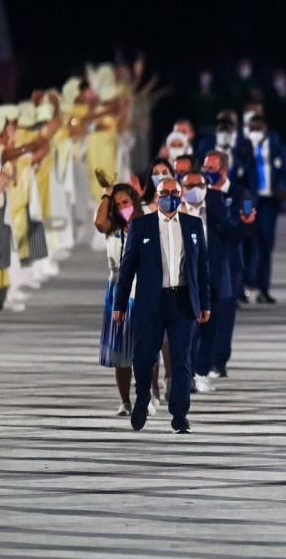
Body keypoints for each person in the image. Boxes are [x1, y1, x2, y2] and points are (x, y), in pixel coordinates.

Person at [113, 176, 211, 434]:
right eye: (165, 193)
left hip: (182, 302)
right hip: (150, 302)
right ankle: (142, 397)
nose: (170, 197)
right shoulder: (141, 226)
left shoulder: (193, 225)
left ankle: (180, 416)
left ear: (180, 195)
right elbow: (127, 268)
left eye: (175, 192)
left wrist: (205, 302)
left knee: (182, 360)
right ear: (156, 197)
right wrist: (119, 304)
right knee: (144, 357)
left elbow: (202, 267)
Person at [181, 168, 251, 393]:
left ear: (206, 188)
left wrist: (244, 223)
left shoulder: (216, 204)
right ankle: (185, 375)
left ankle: (201, 372)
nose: (194, 190)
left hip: (213, 277)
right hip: (185, 280)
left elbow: (233, 233)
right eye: (189, 186)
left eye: (199, 185)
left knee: (209, 330)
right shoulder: (176, 211)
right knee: (187, 330)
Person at [93, 181, 143, 417]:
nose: (123, 207)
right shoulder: (112, 229)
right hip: (117, 290)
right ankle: (125, 401)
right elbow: (98, 222)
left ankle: (147, 394)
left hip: (141, 290)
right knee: (121, 351)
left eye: (126, 202)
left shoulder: (146, 225)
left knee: (145, 348)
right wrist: (106, 195)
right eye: (118, 204)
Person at [202, 150, 251, 375]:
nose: (207, 172)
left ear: (224, 170)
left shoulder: (241, 194)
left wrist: (245, 222)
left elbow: (245, 227)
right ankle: (202, 360)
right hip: (208, 260)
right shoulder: (201, 194)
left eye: (211, 169)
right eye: (205, 168)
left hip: (231, 263)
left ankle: (219, 361)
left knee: (225, 314)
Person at [245, 114, 286, 304]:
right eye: (252, 128)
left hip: (268, 201)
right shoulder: (244, 147)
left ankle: (263, 288)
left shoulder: (275, 147)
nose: (255, 132)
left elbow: (285, 169)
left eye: (258, 128)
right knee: (247, 243)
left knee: (266, 243)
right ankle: (244, 285)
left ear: (265, 129)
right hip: (248, 201)